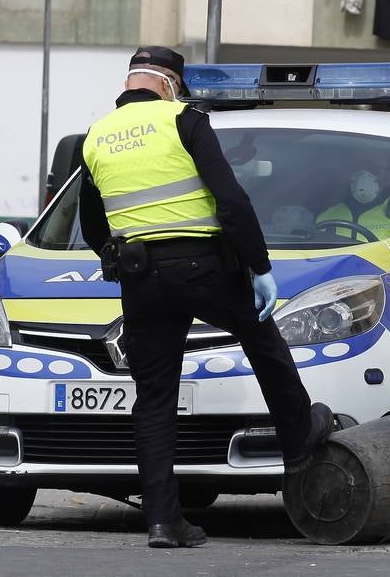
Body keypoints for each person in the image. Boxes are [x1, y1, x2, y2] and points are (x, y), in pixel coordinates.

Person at [78, 46, 333, 549]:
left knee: (153, 398)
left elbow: (91, 225)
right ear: (170, 84)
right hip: (204, 269)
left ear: (131, 82)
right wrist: (259, 266)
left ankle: (163, 522)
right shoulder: (185, 119)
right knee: (263, 343)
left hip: (141, 278)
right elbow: (232, 200)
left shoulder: (96, 136)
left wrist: (122, 251)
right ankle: (299, 436)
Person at [316, 151, 390, 240]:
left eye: (372, 168)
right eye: (357, 167)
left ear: (389, 176)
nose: (363, 174)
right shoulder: (327, 215)